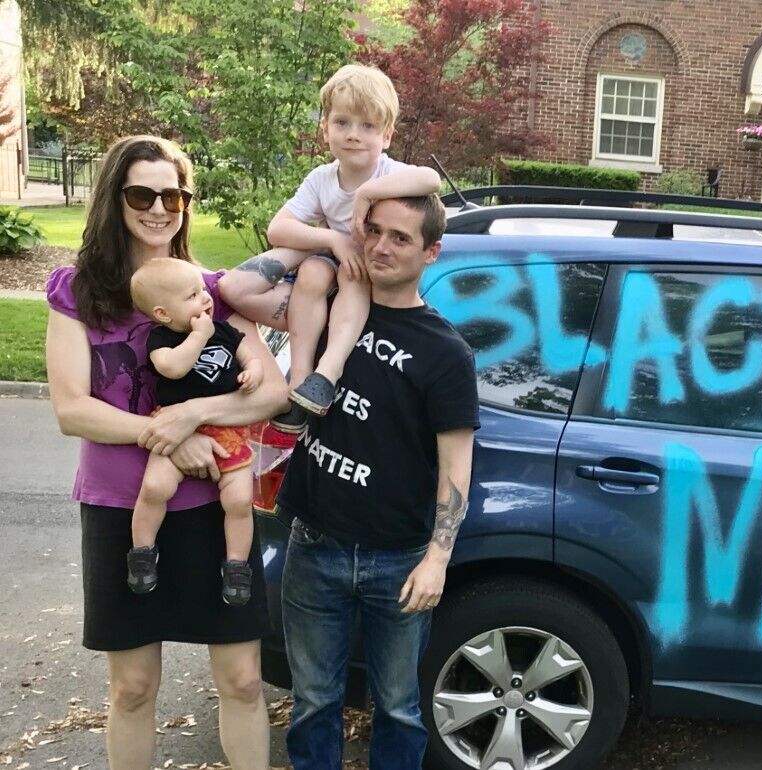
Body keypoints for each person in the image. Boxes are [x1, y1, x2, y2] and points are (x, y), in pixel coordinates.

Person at [45, 134, 288, 770]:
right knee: (132, 688)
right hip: (121, 509)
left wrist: (192, 417)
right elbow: (72, 408)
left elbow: (272, 393)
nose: (160, 207)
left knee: (240, 680)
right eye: (141, 193)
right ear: (113, 199)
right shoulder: (78, 292)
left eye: (173, 194)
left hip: (214, 510)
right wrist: (167, 438)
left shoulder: (213, 292)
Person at [275, 193, 478, 769]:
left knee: (398, 706)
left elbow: (456, 465)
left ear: (432, 252)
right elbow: (235, 287)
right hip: (313, 544)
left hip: (399, 558)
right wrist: (328, 241)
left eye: (401, 238)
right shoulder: (323, 302)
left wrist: (438, 558)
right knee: (313, 701)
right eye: (374, 231)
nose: (381, 247)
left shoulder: (445, 352)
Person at [216, 63, 441, 433]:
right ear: (325, 130)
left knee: (350, 274)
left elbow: (430, 179)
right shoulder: (322, 178)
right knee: (314, 270)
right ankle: (299, 384)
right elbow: (278, 228)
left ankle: (328, 373)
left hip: (362, 271)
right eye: (342, 123)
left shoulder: (388, 174)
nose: (353, 134)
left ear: (386, 135)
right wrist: (332, 239)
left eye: (367, 126)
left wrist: (369, 193)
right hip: (330, 266)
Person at [126, 258, 263, 605]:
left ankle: (236, 566)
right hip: (174, 427)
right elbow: (172, 369)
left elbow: (251, 356)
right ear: (163, 313)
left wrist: (253, 373)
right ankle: (142, 552)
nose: (204, 299)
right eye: (191, 296)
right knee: (155, 487)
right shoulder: (162, 339)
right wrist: (199, 337)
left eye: (203, 290)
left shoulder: (225, 331)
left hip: (227, 425)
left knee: (239, 500)